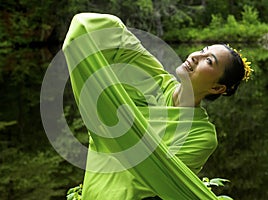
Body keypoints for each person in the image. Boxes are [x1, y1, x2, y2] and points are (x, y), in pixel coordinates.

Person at [63, 13, 252, 200]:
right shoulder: (151, 78)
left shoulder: (201, 136)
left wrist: (109, 122)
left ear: (217, 87)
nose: (196, 56)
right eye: (203, 50)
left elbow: (159, 177)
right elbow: (85, 26)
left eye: (209, 61)